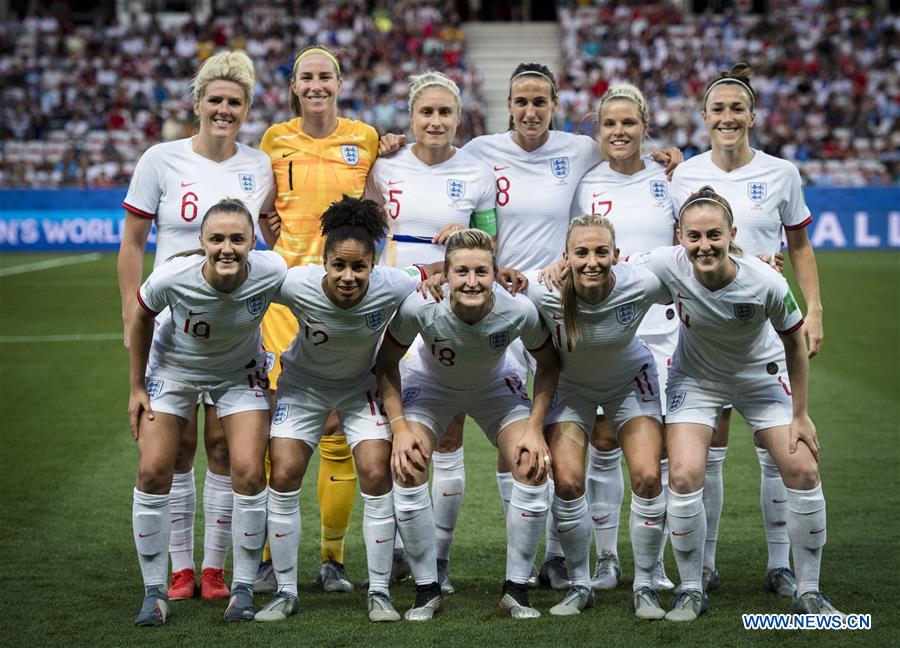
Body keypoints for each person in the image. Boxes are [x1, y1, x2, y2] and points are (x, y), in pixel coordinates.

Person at [462, 63, 682, 588]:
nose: (531, 111)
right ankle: (526, 554)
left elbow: (628, 149)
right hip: (508, 305)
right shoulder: (478, 154)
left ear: (557, 105)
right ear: (508, 105)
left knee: (596, 439)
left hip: (570, 308)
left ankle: (562, 557)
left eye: (541, 102)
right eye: (522, 102)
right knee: (513, 436)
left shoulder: (579, 151)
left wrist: (667, 157)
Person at [635, 186, 839, 621]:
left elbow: (795, 345)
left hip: (761, 379)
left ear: (731, 234)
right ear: (680, 236)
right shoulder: (665, 264)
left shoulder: (765, 280)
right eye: (694, 237)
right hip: (696, 379)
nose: (704, 245)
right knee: (686, 474)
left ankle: (809, 591)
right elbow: (610, 273)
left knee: (803, 469)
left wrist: (800, 414)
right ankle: (692, 588)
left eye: (714, 235)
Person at [118, 50, 275, 603]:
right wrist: (129, 313)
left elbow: (269, 243)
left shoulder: (260, 166)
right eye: (215, 100)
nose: (224, 110)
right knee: (177, 449)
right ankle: (179, 569)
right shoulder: (161, 159)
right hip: (173, 324)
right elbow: (133, 243)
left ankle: (214, 570)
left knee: (223, 447)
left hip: (235, 329)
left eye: (235, 102)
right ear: (198, 102)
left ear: (248, 107)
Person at [671, 63, 824, 596]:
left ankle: (781, 565)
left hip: (764, 328)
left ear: (753, 115)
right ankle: (705, 566)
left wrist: (816, 310)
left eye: (738, 108)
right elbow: (677, 247)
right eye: (719, 109)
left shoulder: (782, 173)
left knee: (775, 452)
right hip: (704, 336)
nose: (728, 117)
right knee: (708, 452)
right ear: (705, 117)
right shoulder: (683, 175)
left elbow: (799, 245)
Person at [254, 196, 432, 624]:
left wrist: (456, 275)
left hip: (360, 388)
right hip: (302, 388)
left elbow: (429, 270)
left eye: (359, 267)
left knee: (375, 472)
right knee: (283, 472)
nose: (348, 276)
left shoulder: (393, 282)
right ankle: (284, 591)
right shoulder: (297, 283)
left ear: (374, 265)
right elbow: (247, 275)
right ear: (324, 261)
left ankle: (379, 592)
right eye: (339, 266)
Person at [376, 229, 561, 620]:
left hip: (496, 386)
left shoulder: (518, 309)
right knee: (408, 466)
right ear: (445, 275)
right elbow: (386, 362)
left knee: (530, 464)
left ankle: (516, 590)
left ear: (496, 273)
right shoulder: (419, 306)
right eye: (461, 272)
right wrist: (400, 429)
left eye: (481, 271)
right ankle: (427, 590)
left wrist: (534, 427)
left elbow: (548, 363)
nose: (472, 281)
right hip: (431, 386)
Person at [365, 70, 497, 594]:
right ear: (411, 117)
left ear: (458, 118)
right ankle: (402, 545)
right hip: (394, 307)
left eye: (445, 113)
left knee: (448, 435)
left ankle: (438, 559)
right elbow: (368, 233)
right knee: (394, 430)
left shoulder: (477, 172)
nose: (436, 121)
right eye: (427, 112)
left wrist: (466, 238)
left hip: (448, 312)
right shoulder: (385, 165)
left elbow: (490, 243)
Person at [127, 199, 287, 626]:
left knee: (250, 471)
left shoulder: (273, 271)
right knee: (154, 471)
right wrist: (137, 387)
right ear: (202, 243)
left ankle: (243, 587)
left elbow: (314, 299)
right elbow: (140, 317)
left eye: (238, 238)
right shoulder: (172, 277)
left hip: (239, 374)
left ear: (254, 241)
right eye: (216, 239)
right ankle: (154, 591)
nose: (227, 248)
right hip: (174, 372)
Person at [257, 45, 381, 593]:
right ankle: (265, 557)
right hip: (287, 299)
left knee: (336, 426)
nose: (316, 85)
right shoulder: (273, 140)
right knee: (277, 422)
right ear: (294, 84)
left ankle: (332, 559)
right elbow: (265, 212)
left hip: (348, 294)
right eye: (306, 77)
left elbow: (379, 206)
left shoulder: (366, 138)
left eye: (324, 76)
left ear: (338, 81)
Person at [525, 215, 670, 619]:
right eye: (581, 252)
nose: (592, 261)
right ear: (565, 257)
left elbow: (692, 270)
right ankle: (580, 584)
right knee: (568, 481)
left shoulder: (640, 282)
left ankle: (645, 586)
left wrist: (755, 260)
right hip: (572, 388)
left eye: (601, 252)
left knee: (647, 476)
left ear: (616, 255)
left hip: (630, 381)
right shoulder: (543, 290)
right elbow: (492, 282)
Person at [569, 84, 678, 593]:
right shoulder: (585, 184)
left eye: (629, 123)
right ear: (598, 130)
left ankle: (683, 558)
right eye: (609, 124)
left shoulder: (671, 178)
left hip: (668, 330)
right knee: (605, 441)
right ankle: (609, 558)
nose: (618, 132)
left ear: (646, 126)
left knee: (670, 451)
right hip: (609, 332)